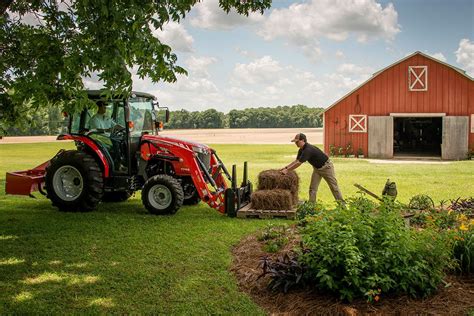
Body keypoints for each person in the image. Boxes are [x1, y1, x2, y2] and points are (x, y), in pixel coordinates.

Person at [280, 133, 344, 203]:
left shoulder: (308, 150)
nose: (296, 143)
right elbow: (296, 161)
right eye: (295, 142)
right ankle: (312, 206)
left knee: (334, 188)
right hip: (317, 169)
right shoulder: (301, 150)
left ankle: (342, 206)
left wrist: (287, 170)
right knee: (312, 189)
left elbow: (299, 163)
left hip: (326, 168)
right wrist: (286, 168)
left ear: (303, 140)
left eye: (297, 141)